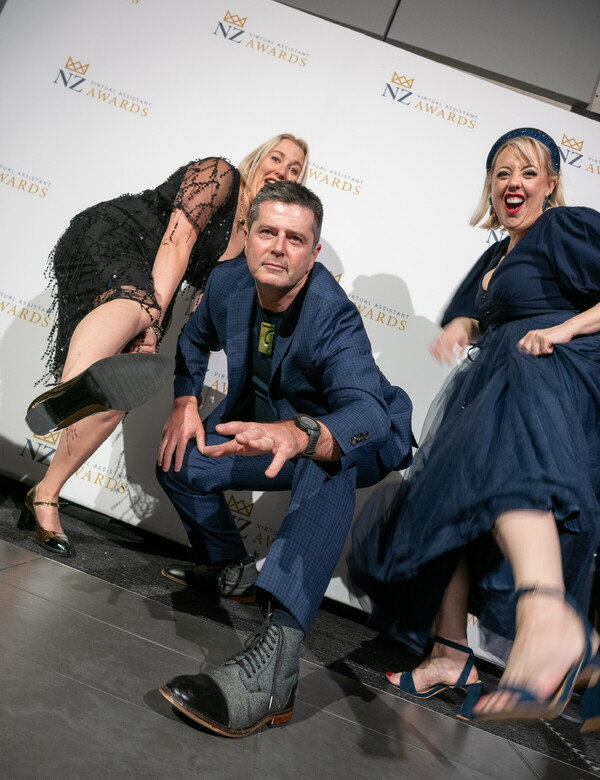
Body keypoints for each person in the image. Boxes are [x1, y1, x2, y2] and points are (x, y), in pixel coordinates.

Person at [349, 128, 600, 730]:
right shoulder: (496, 256)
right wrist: (465, 326)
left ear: (551, 184)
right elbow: (481, 311)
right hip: (496, 380)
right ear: (490, 186)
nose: (514, 183)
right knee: (451, 513)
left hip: (546, 378)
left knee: (510, 483)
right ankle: (448, 655)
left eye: (529, 173)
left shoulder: (563, 228)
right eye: (503, 172)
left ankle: (552, 623)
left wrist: (562, 330)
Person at [155, 181, 413, 737]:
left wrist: (301, 432)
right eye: (267, 232)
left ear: (313, 254)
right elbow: (194, 341)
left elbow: (366, 412)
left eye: (294, 238)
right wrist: (184, 402)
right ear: (246, 237)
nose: (278, 247)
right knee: (181, 460)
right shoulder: (227, 282)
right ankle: (232, 570)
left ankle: (274, 670)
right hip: (270, 428)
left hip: (354, 438)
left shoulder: (332, 315)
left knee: (328, 461)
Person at [20, 134, 309, 557]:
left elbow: (202, 316)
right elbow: (177, 241)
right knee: (135, 310)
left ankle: (45, 493)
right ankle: (72, 389)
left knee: (116, 394)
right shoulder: (219, 175)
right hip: (115, 238)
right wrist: (153, 318)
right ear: (260, 158)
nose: (282, 170)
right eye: (277, 158)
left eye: (294, 169)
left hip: (154, 287)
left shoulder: (255, 241)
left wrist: (189, 394)